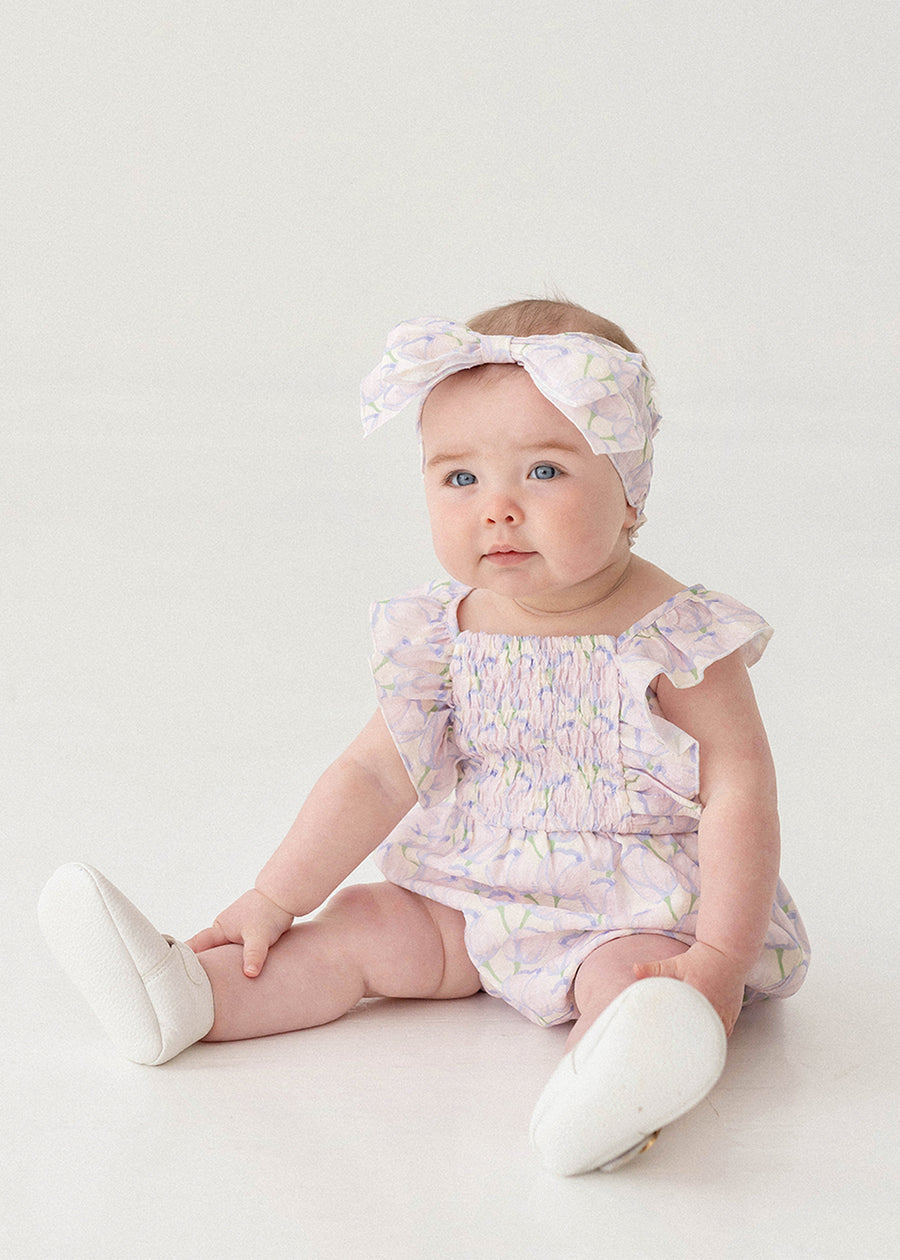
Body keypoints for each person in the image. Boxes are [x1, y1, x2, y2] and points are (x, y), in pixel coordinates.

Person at [39, 298, 810, 1176]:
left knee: (632, 984)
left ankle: (616, 1087)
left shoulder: (677, 636)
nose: (498, 510)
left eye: (545, 471)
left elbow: (739, 793)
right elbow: (376, 774)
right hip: (470, 892)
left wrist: (718, 957)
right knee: (362, 926)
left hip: (631, 909)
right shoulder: (442, 634)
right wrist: (273, 899)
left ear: (630, 491)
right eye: (460, 479)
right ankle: (186, 997)